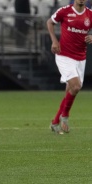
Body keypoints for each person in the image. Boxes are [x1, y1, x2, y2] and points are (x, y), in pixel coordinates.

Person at [47, 0, 92, 134]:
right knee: (76, 86)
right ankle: (65, 115)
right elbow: (50, 22)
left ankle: (55, 122)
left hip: (80, 58)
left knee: (70, 91)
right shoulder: (64, 11)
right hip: (64, 55)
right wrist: (54, 41)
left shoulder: (90, 14)